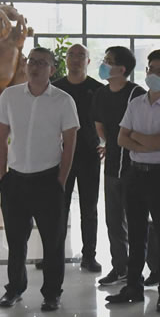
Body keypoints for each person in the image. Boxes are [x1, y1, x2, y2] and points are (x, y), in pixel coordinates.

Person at [0, 47, 80, 312]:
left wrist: (61, 180)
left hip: (48, 180)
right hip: (16, 180)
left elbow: (70, 144)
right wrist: (3, 176)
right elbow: (1, 137)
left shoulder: (63, 100)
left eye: (42, 63)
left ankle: (52, 293)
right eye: (31, 61)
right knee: (15, 240)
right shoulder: (10, 96)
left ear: (52, 70)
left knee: (53, 242)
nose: (35, 67)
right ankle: (14, 288)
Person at [105, 49, 160, 313]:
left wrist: (136, 138)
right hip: (135, 173)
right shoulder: (136, 103)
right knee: (136, 233)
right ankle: (133, 287)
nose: (154, 75)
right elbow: (120, 139)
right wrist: (144, 142)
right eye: (151, 69)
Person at [91, 46, 160, 286]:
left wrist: (126, 143)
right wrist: (111, 143)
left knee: (139, 220)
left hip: (135, 166)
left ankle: (156, 268)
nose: (103, 64)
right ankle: (120, 267)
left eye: (108, 61)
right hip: (112, 165)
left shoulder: (136, 94)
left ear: (122, 69)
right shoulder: (100, 94)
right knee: (114, 220)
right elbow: (99, 127)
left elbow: (144, 127)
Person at [53, 44, 104, 273]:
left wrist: (108, 144)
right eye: (71, 55)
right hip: (59, 155)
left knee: (89, 208)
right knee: (58, 207)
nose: (75, 59)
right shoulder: (55, 89)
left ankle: (89, 255)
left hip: (88, 155)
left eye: (81, 55)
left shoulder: (98, 90)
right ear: (65, 60)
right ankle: (54, 254)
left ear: (88, 61)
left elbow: (108, 120)